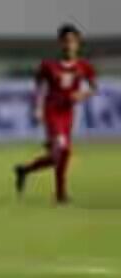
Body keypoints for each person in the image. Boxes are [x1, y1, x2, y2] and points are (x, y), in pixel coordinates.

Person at [14, 24, 97, 203]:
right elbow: (38, 89)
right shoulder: (48, 66)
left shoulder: (84, 66)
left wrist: (82, 94)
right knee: (64, 149)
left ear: (78, 43)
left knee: (58, 155)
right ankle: (60, 194)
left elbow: (93, 88)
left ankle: (25, 170)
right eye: (66, 41)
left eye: (73, 41)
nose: (69, 45)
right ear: (60, 43)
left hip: (68, 113)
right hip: (52, 111)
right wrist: (37, 109)